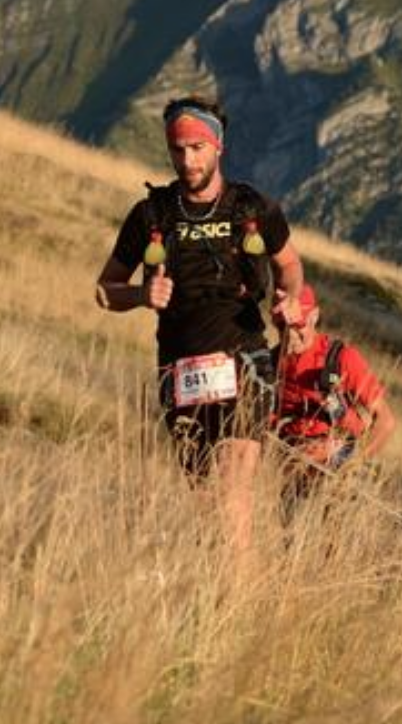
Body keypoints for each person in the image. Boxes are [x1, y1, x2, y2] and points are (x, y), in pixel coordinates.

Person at [95, 94, 307, 553]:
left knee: (233, 493)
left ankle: (240, 605)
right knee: (209, 504)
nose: (187, 160)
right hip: (180, 369)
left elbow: (290, 266)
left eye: (197, 148)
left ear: (218, 147)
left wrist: (292, 301)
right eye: (178, 150)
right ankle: (232, 604)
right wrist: (139, 295)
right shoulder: (150, 215)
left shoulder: (254, 210)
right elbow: (104, 290)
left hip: (245, 362)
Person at [272, 283, 397, 489]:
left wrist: (351, 466)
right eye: (281, 327)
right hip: (285, 465)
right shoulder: (270, 362)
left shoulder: (341, 359)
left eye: (297, 326)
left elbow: (386, 422)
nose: (290, 336)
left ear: (314, 316)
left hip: (338, 467)